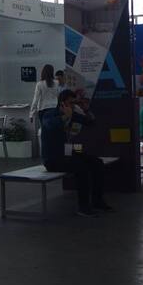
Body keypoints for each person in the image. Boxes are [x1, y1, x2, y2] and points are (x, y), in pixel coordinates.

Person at [41, 89, 111, 217]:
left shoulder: (73, 114)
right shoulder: (49, 114)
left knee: (97, 162)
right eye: (71, 103)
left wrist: (86, 110)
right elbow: (51, 126)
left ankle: (97, 201)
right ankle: (83, 207)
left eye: (75, 103)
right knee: (81, 167)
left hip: (68, 153)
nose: (73, 106)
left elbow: (90, 122)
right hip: (53, 159)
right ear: (62, 103)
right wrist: (66, 116)